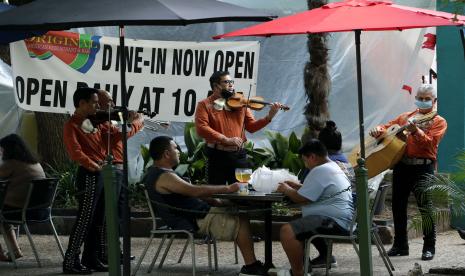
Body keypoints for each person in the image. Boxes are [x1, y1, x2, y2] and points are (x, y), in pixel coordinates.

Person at [145, 135, 268, 276]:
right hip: (194, 218)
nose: (178, 151)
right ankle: (251, 267)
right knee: (240, 219)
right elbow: (194, 191)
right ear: (166, 153)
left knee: (240, 211)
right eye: (175, 148)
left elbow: (187, 193)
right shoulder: (164, 176)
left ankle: (251, 264)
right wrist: (228, 189)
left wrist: (214, 201)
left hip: (197, 213)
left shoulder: (162, 173)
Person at [369, 84, 447, 261]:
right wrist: (378, 130)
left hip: (424, 166)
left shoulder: (439, 121)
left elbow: (430, 144)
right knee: (398, 206)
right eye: (420, 97)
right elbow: (387, 127)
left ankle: (429, 247)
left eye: (427, 98)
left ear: (434, 100)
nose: (423, 100)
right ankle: (400, 245)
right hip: (402, 165)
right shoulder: (405, 116)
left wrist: (416, 131)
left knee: (425, 208)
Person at [62, 87, 121, 274]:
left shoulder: (95, 122)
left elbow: (115, 135)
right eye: (95, 103)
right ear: (82, 103)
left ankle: (91, 258)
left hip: (101, 172)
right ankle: (71, 261)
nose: (98, 106)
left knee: (99, 219)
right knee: (85, 219)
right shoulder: (72, 125)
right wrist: (95, 166)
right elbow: (76, 153)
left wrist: (132, 120)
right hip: (89, 174)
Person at [277, 139, 353, 276]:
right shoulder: (333, 166)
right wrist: (298, 187)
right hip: (344, 217)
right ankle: (319, 260)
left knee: (287, 231)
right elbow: (322, 190)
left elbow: (300, 198)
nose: (306, 165)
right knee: (299, 220)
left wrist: (286, 189)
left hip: (335, 221)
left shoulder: (320, 170)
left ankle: (298, 272)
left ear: (312, 156)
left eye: (305, 161)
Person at [195, 70, 281, 185]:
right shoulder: (204, 104)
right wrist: (225, 139)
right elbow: (201, 128)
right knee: (216, 192)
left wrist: (269, 117)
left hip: (239, 155)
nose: (231, 85)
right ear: (216, 86)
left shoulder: (241, 103)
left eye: (232, 81)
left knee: (242, 191)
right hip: (217, 155)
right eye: (226, 82)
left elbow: (251, 127)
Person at [96, 90, 143, 263]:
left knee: (118, 214)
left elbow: (123, 128)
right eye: (108, 101)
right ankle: (108, 252)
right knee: (110, 214)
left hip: (119, 169)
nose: (112, 104)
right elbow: (119, 135)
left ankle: (115, 250)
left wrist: (130, 119)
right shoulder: (98, 121)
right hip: (111, 170)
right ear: (97, 102)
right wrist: (137, 123)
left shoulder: (111, 119)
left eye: (112, 101)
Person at [0, 134, 45, 262]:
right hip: (40, 210)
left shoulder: (12, 163)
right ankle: (15, 251)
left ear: (9, 149)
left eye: (2, 149)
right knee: (2, 216)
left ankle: (3, 253)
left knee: (1, 215)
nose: (1, 151)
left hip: (22, 211)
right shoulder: (34, 162)